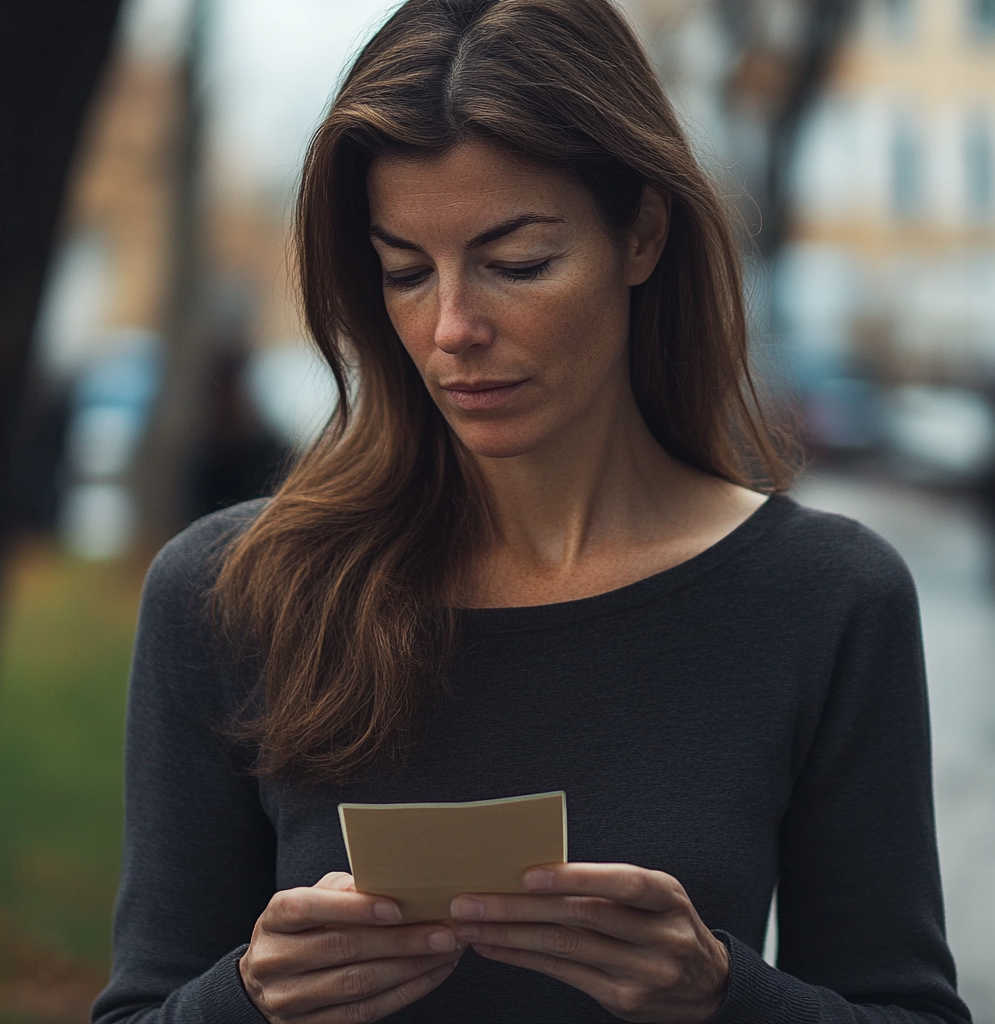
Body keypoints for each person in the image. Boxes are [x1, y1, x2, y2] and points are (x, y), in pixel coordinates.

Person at [92, 0, 972, 1021]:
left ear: (640, 232)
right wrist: (246, 999)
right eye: (405, 273)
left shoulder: (825, 598)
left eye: (517, 263)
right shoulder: (226, 594)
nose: (453, 327)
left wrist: (727, 996)